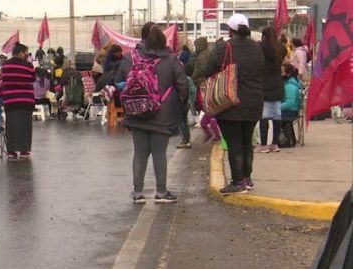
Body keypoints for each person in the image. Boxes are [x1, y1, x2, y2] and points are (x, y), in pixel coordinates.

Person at [115, 24, 188, 204]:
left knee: (139, 153)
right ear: (164, 41)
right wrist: (180, 106)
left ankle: (138, 192)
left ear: (144, 39)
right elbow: (183, 86)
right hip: (163, 115)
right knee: (159, 153)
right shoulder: (171, 60)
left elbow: (118, 83)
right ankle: (161, 192)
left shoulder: (130, 58)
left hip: (136, 112)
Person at [203, 14, 264, 195]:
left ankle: (237, 181)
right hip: (254, 102)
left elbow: (207, 70)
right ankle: (247, 178)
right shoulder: (256, 48)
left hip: (231, 102)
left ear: (230, 30)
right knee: (247, 141)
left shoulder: (223, 47)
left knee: (234, 142)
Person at [1, 42, 36, 160]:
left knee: (11, 126)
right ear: (21, 53)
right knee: (25, 126)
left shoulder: (5, 65)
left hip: (10, 100)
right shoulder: (28, 65)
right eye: (26, 53)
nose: (27, 55)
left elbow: (4, 79)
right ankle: (24, 150)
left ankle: (11, 151)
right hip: (26, 100)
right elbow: (33, 78)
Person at [257, 27, 286, 154]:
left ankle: (263, 145)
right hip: (278, 83)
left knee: (264, 116)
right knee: (276, 115)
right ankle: (275, 143)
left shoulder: (260, 47)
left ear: (264, 36)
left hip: (264, 84)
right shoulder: (282, 48)